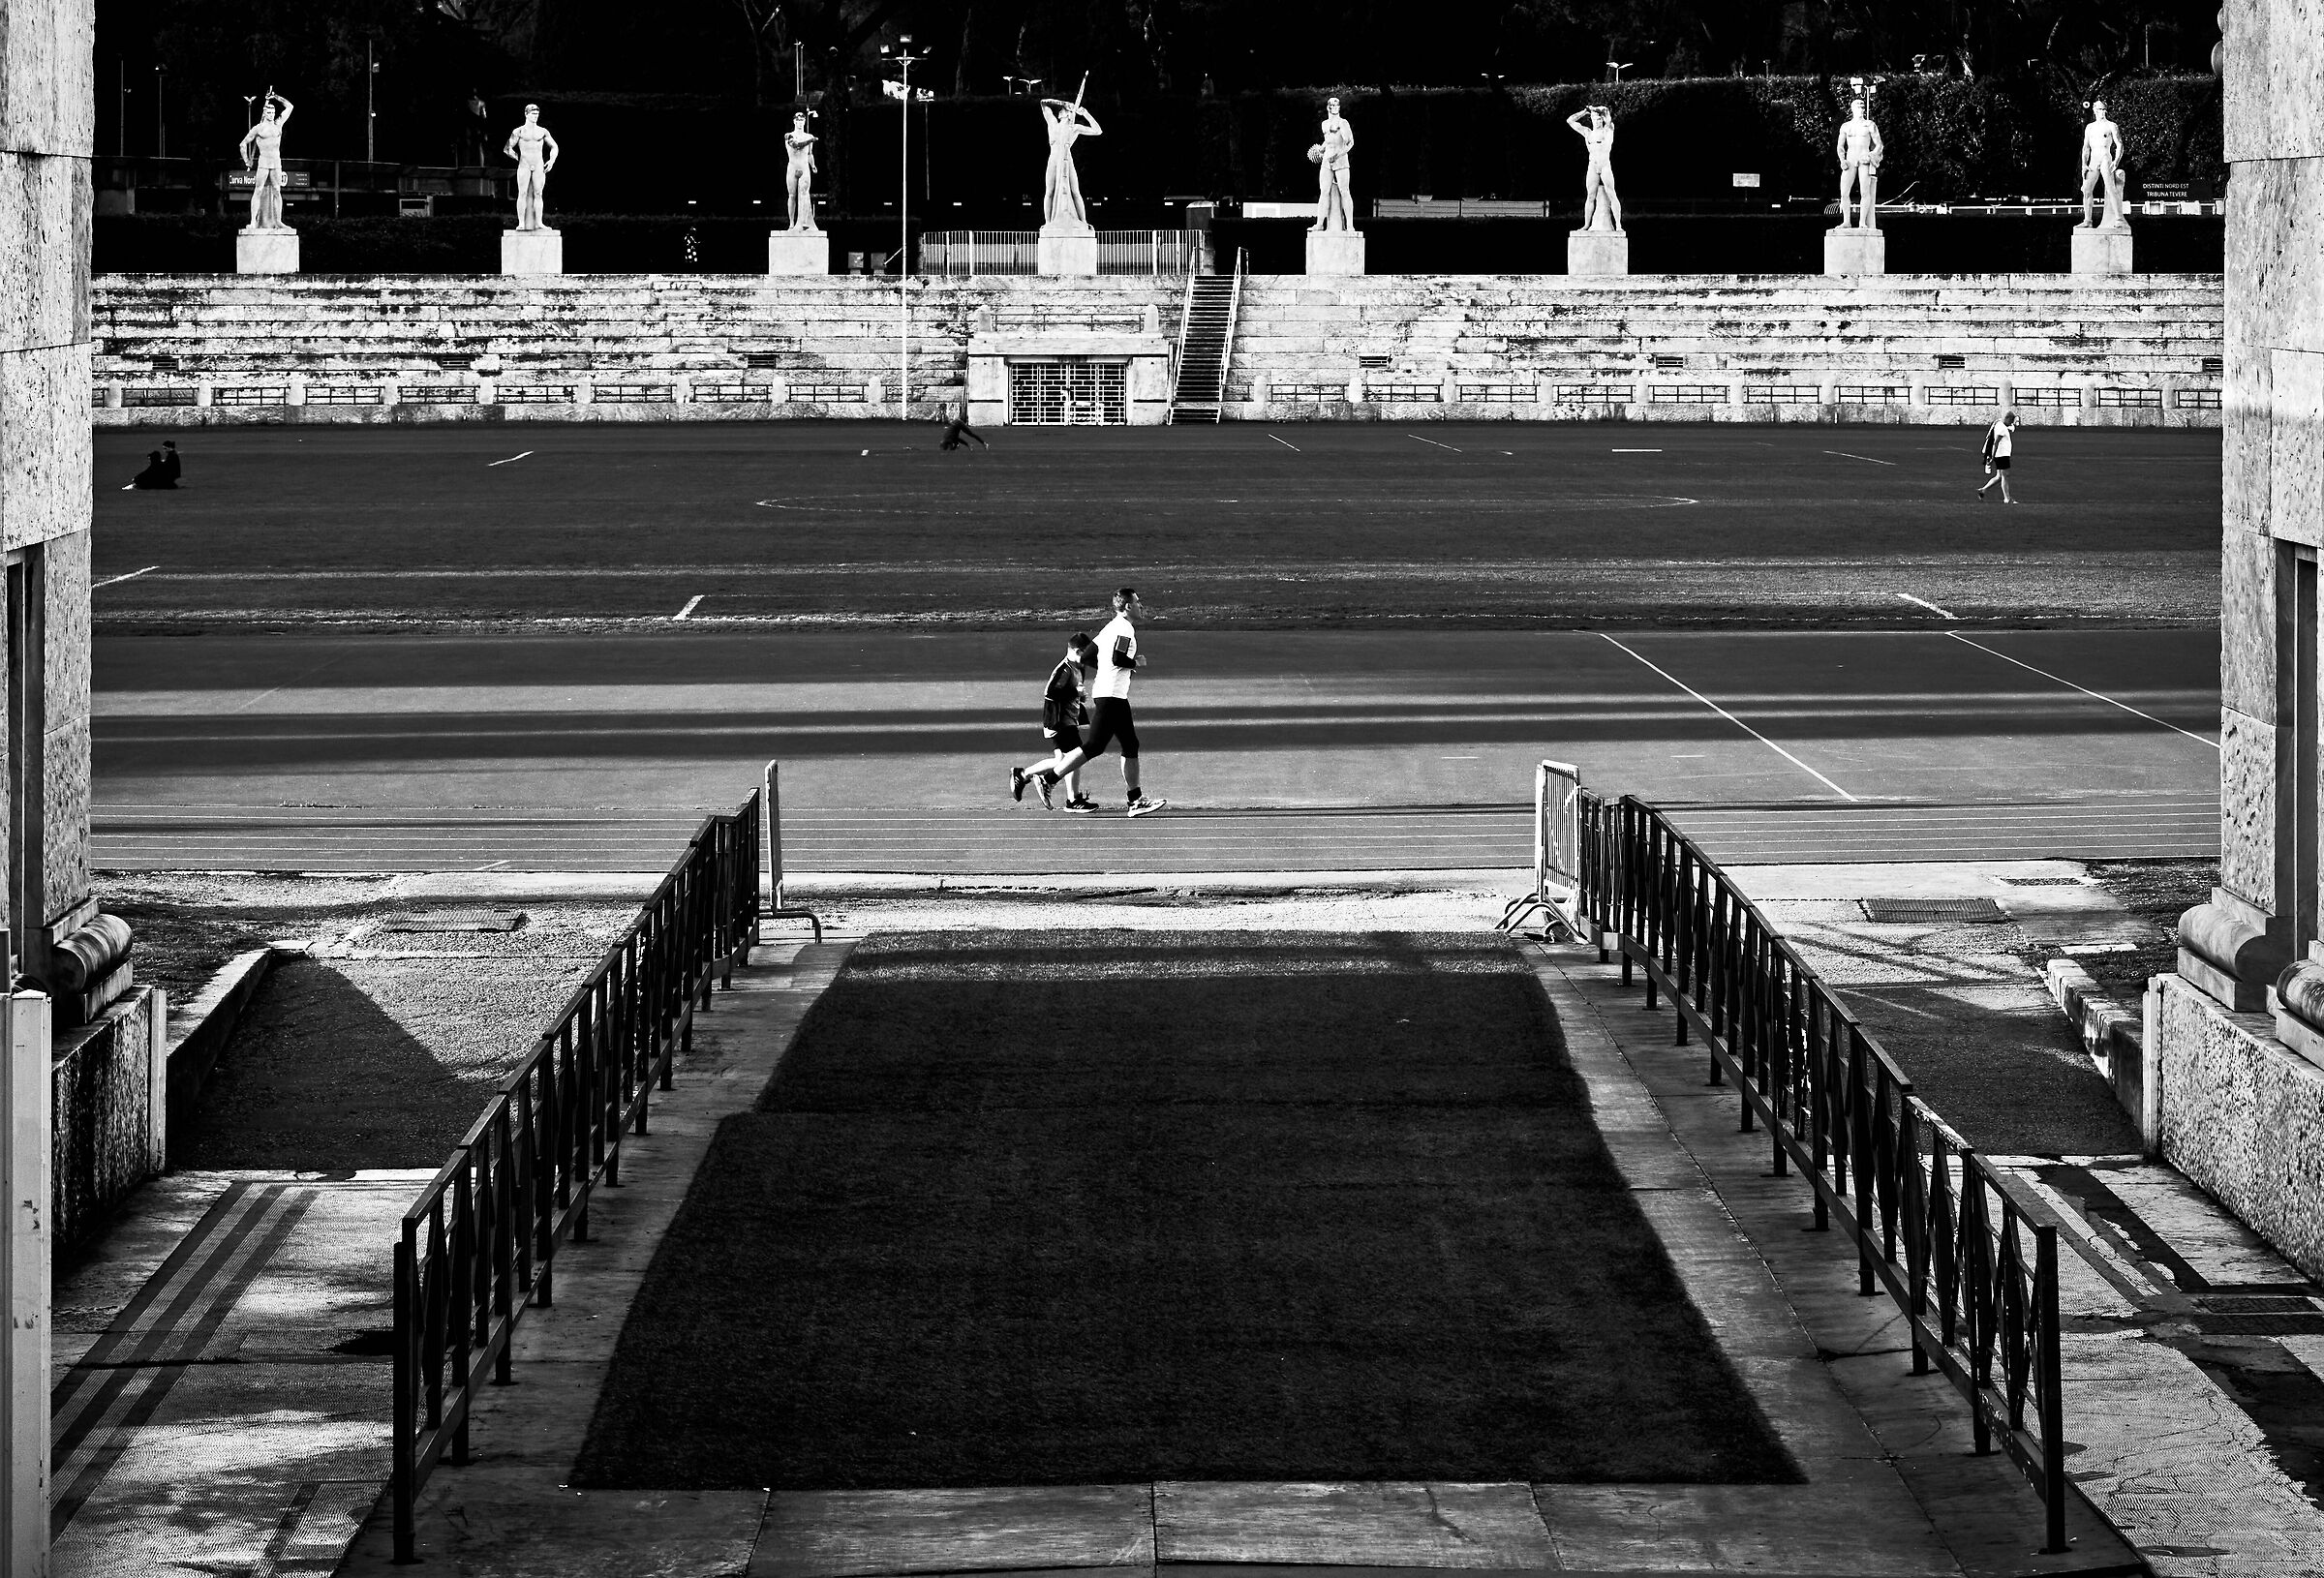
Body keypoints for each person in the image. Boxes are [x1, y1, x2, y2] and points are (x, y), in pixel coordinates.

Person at [1019, 588, 1165, 816]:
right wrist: (1135, 663)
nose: (1141, 605)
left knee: (1129, 744)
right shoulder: (1125, 628)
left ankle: (1135, 799)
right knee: (1095, 746)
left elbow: (1086, 656)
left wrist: (1108, 669)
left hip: (1110, 694)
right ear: (1127, 606)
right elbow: (1118, 658)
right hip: (1111, 696)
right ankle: (1049, 780)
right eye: (1137, 602)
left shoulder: (1109, 627)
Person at [1010, 633, 1100, 811]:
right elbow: (1050, 693)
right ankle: (1073, 800)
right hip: (1059, 721)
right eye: (1086, 653)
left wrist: (1079, 698)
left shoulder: (1078, 667)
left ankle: (1023, 774)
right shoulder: (1064, 669)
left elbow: (1072, 692)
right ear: (1076, 651)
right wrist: (1076, 693)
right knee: (1075, 756)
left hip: (1069, 720)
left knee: (1063, 760)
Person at [1040, 93, 1101, 229]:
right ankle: (1048, 222)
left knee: (1075, 191)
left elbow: (1098, 131)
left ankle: (1084, 221)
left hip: (1067, 160)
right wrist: (1063, 103)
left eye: (1063, 110)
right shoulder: (1053, 124)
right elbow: (1043, 103)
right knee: (1049, 191)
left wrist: (1085, 113)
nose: (1060, 112)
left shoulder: (1074, 128)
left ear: (1068, 115)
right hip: (1054, 159)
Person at [235, 90, 293, 231]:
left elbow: (290, 106)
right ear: (264, 113)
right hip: (263, 162)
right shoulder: (258, 128)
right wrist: (247, 161)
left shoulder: (278, 124)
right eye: (269, 111)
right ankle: (253, 221)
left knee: (277, 191)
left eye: (273, 111)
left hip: (276, 162)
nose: (272, 114)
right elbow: (243, 144)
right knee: (259, 190)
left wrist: (276, 97)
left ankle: (278, 221)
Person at [1564, 106, 1622, 232]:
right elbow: (1570, 120)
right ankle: (1586, 225)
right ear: (1591, 120)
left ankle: (1618, 224)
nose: (1598, 121)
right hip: (1593, 165)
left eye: (1600, 119)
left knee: (1612, 193)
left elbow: (1606, 111)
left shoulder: (1608, 130)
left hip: (1605, 165)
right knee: (1590, 196)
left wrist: (1594, 108)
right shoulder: (1587, 132)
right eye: (1595, 119)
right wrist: (1585, 112)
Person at [505, 105, 561, 231]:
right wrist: (516, 157)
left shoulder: (543, 131)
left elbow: (554, 146)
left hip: (538, 165)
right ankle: (521, 222)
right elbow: (508, 148)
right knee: (522, 193)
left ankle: (539, 222)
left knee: (539, 193)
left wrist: (551, 160)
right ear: (526, 114)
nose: (535, 116)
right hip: (524, 164)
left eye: (537, 114)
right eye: (532, 114)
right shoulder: (518, 131)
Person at [1835, 97, 1883, 229]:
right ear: (1852, 109)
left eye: (1862, 107)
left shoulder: (1870, 125)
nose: (1861, 109)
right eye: (1858, 106)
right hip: (1850, 158)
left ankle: (1862, 222)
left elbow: (1879, 145)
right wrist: (1842, 160)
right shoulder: (1846, 126)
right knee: (1844, 192)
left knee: (1865, 191)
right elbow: (1840, 146)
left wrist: (1871, 155)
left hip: (1864, 158)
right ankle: (1846, 221)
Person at [2079, 101, 2127, 230]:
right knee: (2086, 190)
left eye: (2104, 109)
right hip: (2093, 160)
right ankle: (2087, 220)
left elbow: (2119, 144)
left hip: (2106, 158)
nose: (2102, 112)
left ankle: (2119, 218)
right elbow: (2086, 148)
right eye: (2099, 109)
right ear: (2094, 110)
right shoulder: (2089, 127)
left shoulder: (2111, 125)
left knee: (2111, 188)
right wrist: (2084, 164)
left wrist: (2116, 161)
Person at [1312, 96, 1356, 232]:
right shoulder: (1324, 123)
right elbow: (1328, 139)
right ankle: (1319, 224)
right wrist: (1321, 148)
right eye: (1331, 104)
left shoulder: (1343, 123)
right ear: (1328, 107)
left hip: (1340, 159)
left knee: (1344, 191)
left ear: (1339, 107)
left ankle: (1350, 225)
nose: (1334, 107)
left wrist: (1337, 155)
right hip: (1326, 160)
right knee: (1324, 192)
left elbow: (1350, 143)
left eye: (1336, 104)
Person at [784, 110, 819, 231]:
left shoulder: (809, 136)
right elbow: (796, 145)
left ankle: (803, 221)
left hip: (804, 167)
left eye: (802, 121)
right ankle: (791, 223)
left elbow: (810, 154)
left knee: (804, 194)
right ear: (794, 121)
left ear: (804, 122)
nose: (800, 123)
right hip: (793, 167)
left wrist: (813, 165)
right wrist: (811, 140)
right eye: (798, 120)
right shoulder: (788, 135)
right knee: (792, 195)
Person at [1977, 410, 2020, 503]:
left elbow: (2010, 427)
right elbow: (1995, 443)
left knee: (1999, 476)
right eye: (2011, 421)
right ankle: (2007, 498)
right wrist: (1992, 457)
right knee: (2005, 476)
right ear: (2007, 419)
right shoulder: (2001, 428)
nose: (2011, 423)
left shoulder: (2000, 424)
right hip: (2002, 455)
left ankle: (1983, 490)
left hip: (2001, 454)